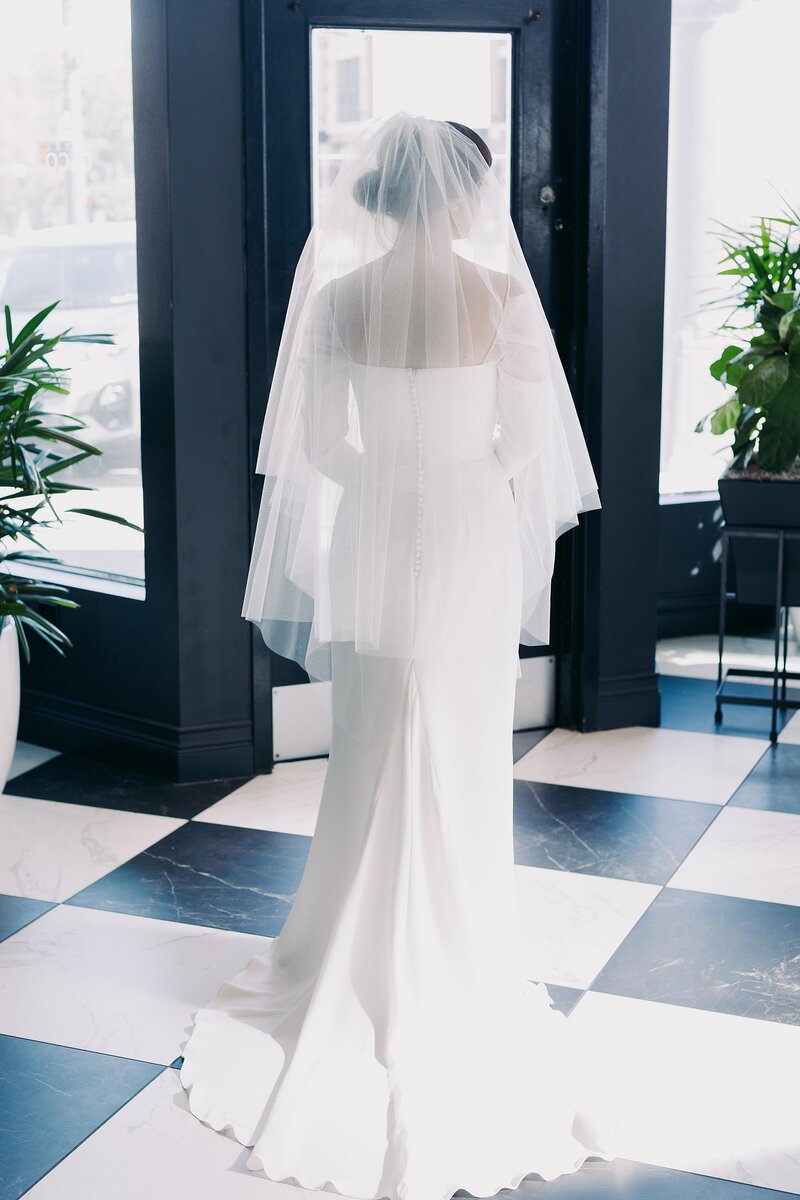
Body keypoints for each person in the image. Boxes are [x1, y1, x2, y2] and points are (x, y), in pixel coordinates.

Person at [180, 112, 617, 1200]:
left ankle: (347, 944)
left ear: (379, 197)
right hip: (465, 522)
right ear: (463, 198)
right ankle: (456, 948)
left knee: (374, 734)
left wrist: (386, 469)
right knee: (463, 734)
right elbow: (527, 439)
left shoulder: (339, 297)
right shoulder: (497, 294)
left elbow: (316, 445)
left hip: (378, 520)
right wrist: (462, 464)